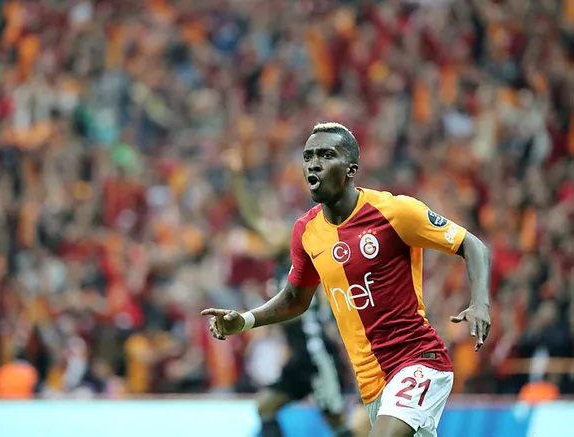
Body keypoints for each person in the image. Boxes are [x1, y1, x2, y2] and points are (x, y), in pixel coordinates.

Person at [203, 122, 492, 437]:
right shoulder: (306, 232)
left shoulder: (394, 212)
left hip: (418, 361)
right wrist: (245, 321)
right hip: (371, 383)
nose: (314, 163)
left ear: (351, 169)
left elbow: (472, 245)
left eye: (326, 155)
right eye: (308, 156)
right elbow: (295, 299)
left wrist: (480, 303)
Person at [224, 149, 353, 437]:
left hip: (317, 356)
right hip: (299, 357)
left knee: (337, 424)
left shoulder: (305, 263)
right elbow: (253, 218)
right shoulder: (280, 265)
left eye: (276, 231)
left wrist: (259, 319)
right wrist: (236, 178)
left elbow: (297, 310)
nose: (268, 234)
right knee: (265, 406)